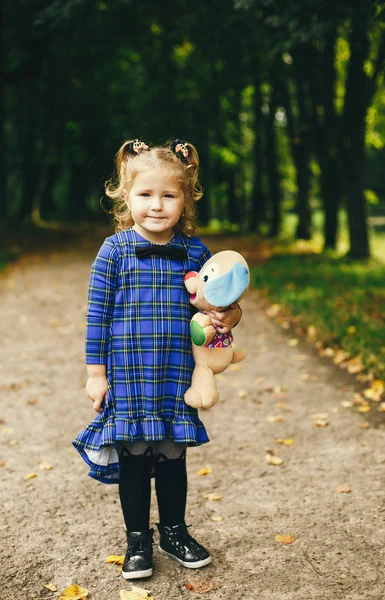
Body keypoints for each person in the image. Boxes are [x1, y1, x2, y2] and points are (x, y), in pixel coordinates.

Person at [73, 139, 242, 580]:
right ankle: (137, 540)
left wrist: (227, 318)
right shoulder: (114, 251)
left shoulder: (194, 252)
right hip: (129, 376)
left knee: (172, 453)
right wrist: (96, 374)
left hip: (174, 374)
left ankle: (173, 530)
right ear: (125, 196)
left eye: (168, 195)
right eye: (146, 194)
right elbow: (96, 316)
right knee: (134, 453)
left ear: (185, 200)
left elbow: (223, 302)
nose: (156, 205)